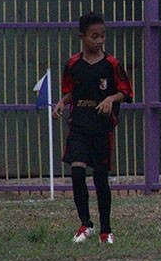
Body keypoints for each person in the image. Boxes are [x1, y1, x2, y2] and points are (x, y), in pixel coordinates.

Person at [53, 12, 133, 244]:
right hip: (79, 124)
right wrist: (61, 102)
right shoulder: (73, 64)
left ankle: (106, 230)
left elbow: (126, 92)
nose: (99, 40)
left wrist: (110, 99)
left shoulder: (111, 64)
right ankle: (85, 224)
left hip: (101, 126)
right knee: (77, 171)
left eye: (102, 36)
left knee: (100, 178)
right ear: (83, 37)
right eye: (94, 36)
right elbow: (71, 91)